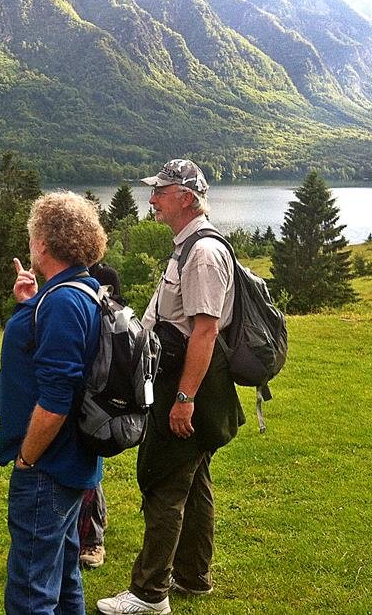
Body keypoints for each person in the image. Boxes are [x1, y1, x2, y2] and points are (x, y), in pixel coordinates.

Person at [97, 160, 245, 615]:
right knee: (194, 478)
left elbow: (204, 331)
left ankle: (149, 594)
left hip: (189, 387)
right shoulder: (189, 246)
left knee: (165, 483)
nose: (152, 199)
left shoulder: (202, 253)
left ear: (186, 196)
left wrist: (184, 400)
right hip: (188, 384)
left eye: (160, 191)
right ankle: (193, 576)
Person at [0, 191, 107, 615]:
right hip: (72, 463)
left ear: (42, 243)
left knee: (31, 593)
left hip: (49, 466)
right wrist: (30, 303)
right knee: (63, 578)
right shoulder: (77, 291)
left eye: (33, 235)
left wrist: (27, 458)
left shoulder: (63, 302)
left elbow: (57, 399)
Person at [77, 261, 123, 570]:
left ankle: (93, 540)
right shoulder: (58, 272)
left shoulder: (105, 275)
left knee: (88, 458)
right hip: (72, 376)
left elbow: (116, 321)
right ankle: (79, 533)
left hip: (97, 380)